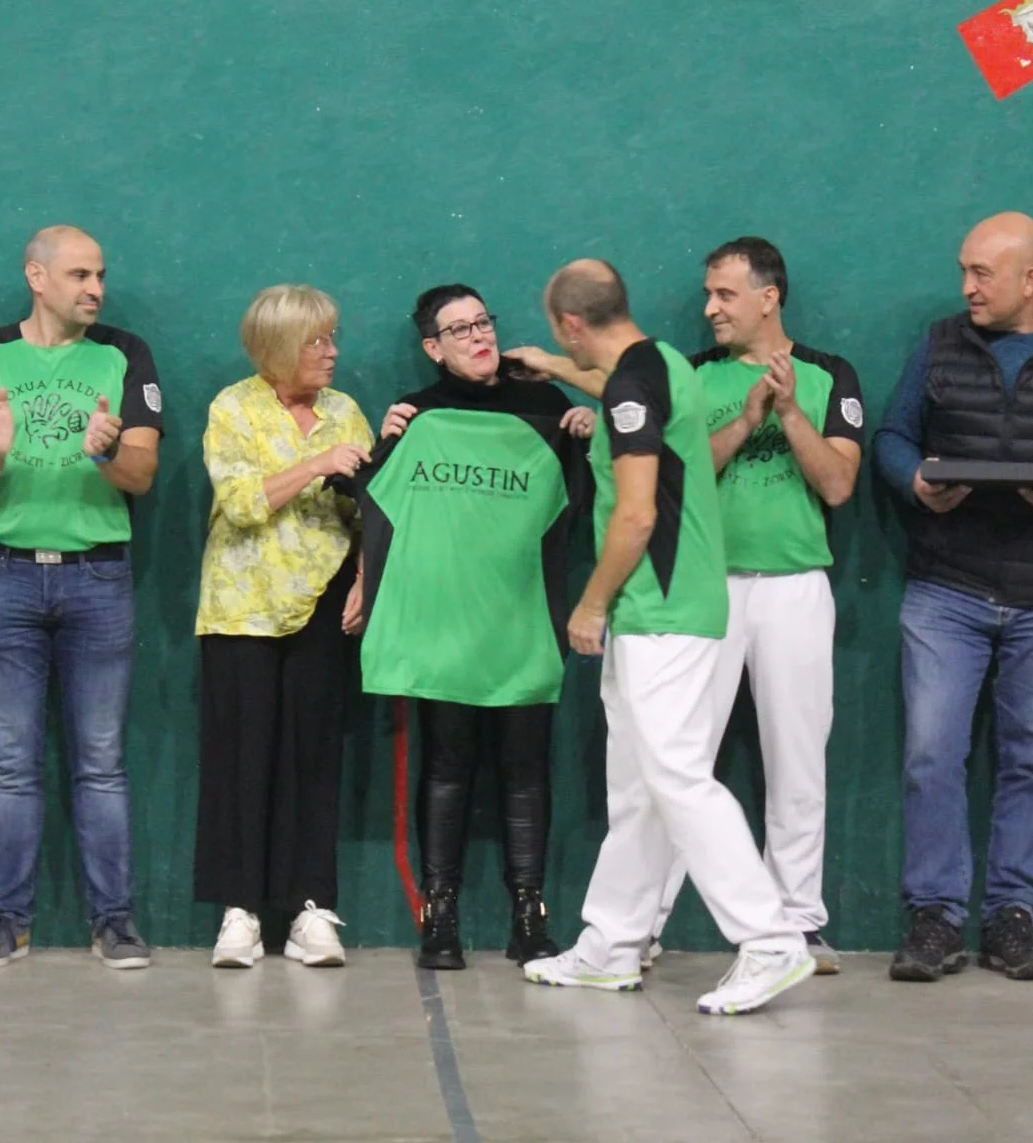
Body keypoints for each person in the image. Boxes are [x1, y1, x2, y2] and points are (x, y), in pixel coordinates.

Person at [508, 238, 864, 976]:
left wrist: (590, 605)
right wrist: (556, 370)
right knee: (639, 787)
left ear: (571, 323)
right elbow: (624, 389)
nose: (710, 308)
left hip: (662, 604)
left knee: (676, 776)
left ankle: (773, 938)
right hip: (676, 605)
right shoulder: (671, 364)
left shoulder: (649, 382)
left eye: (724, 294)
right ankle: (613, 944)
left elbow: (638, 513)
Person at [348, 283, 594, 970]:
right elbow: (374, 499)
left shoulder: (547, 407)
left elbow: (586, 501)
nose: (479, 336)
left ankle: (529, 917)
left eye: (483, 322)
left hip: (521, 618)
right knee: (447, 765)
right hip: (442, 626)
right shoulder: (417, 414)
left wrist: (586, 436)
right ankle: (441, 918)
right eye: (459, 330)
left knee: (525, 769)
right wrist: (385, 442)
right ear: (433, 347)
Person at [0, 225, 163, 970]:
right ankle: (6, 922)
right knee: (11, 763)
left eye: (99, 275)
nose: (95, 289)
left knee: (101, 761)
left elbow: (141, 476)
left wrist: (105, 451)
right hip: (1, 576)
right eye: (78, 275)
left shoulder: (124, 354)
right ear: (36, 277)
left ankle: (115, 922)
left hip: (96, 578)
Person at [875, 211, 1033, 983]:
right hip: (945, 588)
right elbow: (892, 436)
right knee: (929, 754)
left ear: (1029, 279)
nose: (966, 288)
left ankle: (1012, 918)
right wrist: (914, 482)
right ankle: (934, 919)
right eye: (963, 271)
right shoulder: (940, 342)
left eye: (981, 274)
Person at [194, 284, 371, 969]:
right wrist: (316, 464)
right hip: (241, 609)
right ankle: (240, 911)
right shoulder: (233, 408)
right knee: (241, 760)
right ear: (277, 348)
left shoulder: (344, 412)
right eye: (315, 341)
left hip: (323, 606)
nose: (330, 352)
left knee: (312, 758)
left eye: (331, 337)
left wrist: (364, 579)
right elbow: (241, 503)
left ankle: (309, 910)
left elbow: (369, 512)